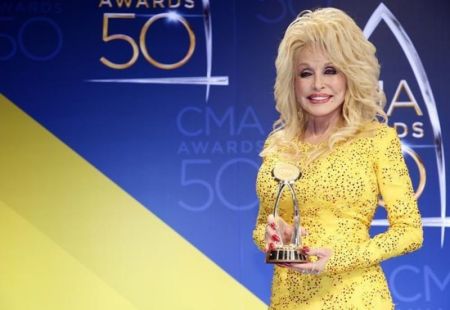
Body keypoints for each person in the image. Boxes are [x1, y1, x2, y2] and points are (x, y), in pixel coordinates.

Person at [252, 7, 423, 309]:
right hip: (288, 301)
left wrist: (339, 259)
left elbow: (410, 232)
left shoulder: (377, 141)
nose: (318, 84)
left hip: (356, 298)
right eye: (306, 73)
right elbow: (262, 226)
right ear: (292, 81)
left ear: (351, 75)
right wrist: (272, 237)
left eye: (330, 70)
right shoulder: (278, 144)